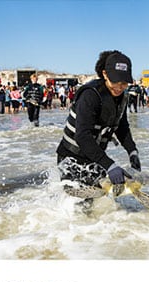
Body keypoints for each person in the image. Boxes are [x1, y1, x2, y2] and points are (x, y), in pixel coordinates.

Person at [56, 50, 141, 189]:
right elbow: (82, 136)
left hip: (94, 156)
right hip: (71, 157)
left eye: (124, 83)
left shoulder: (122, 97)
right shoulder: (90, 95)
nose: (120, 87)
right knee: (76, 204)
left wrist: (132, 151)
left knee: (99, 202)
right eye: (116, 81)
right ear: (105, 74)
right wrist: (110, 165)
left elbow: (122, 126)